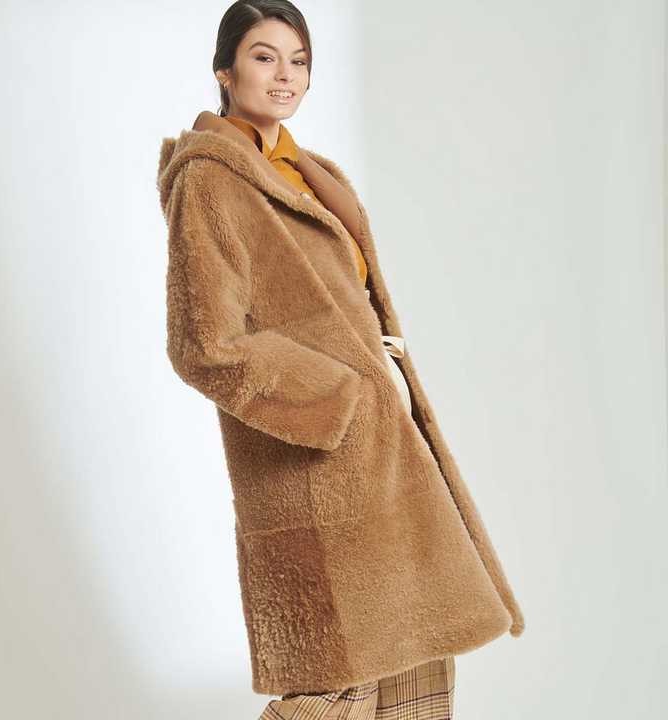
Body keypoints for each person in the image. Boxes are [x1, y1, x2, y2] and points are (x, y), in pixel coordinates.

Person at [157, 2, 525, 717]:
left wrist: (384, 371)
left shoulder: (311, 173)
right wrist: (345, 393)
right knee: (339, 683)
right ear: (224, 71)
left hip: (386, 454)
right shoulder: (211, 180)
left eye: (299, 60)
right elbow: (204, 346)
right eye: (264, 57)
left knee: (415, 663)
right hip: (315, 463)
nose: (285, 75)